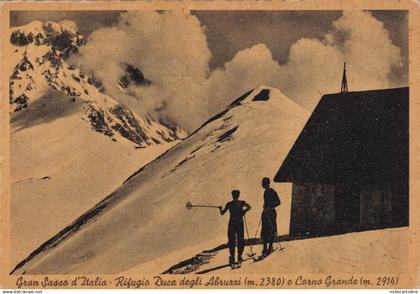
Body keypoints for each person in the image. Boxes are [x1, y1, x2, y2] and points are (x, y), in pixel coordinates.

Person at [219, 190, 251, 267]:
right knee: (240, 239)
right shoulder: (242, 202)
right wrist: (244, 211)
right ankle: (239, 257)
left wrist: (220, 208)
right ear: (238, 195)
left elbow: (222, 213)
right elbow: (249, 207)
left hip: (232, 223)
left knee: (232, 240)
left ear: (232, 195)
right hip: (239, 223)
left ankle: (232, 258)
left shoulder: (229, 204)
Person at [260, 177, 281, 256]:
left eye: (263, 183)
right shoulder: (266, 191)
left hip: (271, 213)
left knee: (271, 229)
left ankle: (270, 247)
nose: (262, 184)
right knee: (264, 230)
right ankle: (265, 247)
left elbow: (278, 202)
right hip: (266, 213)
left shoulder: (271, 191)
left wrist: (270, 207)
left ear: (267, 183)